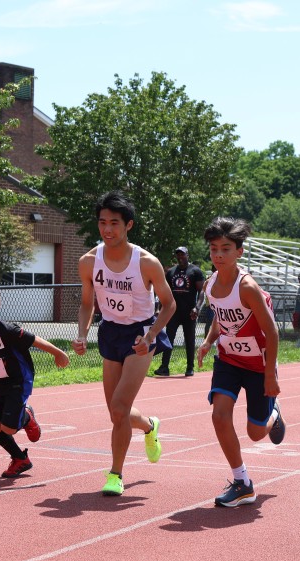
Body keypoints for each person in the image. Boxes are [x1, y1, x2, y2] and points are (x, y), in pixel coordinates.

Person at [71, 191, 175, 496]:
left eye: (114, 223)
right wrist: (82, 333)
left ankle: (115, 474)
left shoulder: (147, 263)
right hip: (110, 332)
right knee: (117, 413)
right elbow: (87, 303)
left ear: (128, 225)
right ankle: (149, 426)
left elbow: (169, 304)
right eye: (102, 222)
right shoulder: (88, 262)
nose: (107, 229)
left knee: (119, 407)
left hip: (140, 335)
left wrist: (151, 336)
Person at [197, 218, 286, 507]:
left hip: (258, 365)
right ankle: (242, 482)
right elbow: (220, 316)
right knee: (219, 416)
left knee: (255, 433)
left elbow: (272, 332)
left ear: (239, 252)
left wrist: (270, 375)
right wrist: (208, 341)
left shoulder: (247, 287)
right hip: (229, 360)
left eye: (225, 249)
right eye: (214, 249)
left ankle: (274, 415)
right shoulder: (210, 284)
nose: (219, 255)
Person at [0, 286, 70, 478]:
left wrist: (58, 353)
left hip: (17, 380)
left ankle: (26, 416)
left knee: (9, 428)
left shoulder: (7, 330)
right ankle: (20, 459)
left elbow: (34, 340)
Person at [155, 246, 205, 377]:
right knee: (168, 339)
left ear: (188, 255)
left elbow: (201, 291)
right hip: (173, 312)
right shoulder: (171, 272)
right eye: (178, 255)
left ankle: (190, 367)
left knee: (190, 339)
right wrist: (159, 308)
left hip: (189, 312)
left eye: (183, 254)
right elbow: (164, 291)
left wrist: (197, 307)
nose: (180, 257)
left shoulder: (195, 271)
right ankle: (164, 367)